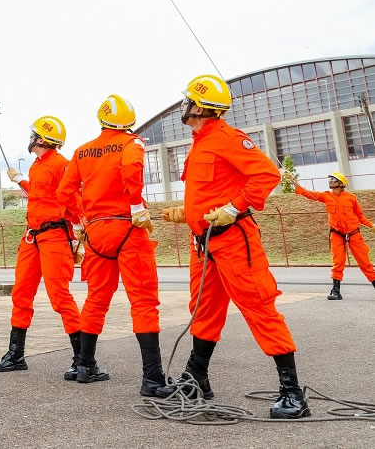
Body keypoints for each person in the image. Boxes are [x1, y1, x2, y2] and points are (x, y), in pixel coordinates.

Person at [159, 74, 309, 418]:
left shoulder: (227, 138)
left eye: (187, 101)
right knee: (203, 311)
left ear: (201, 107)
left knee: (259, 307)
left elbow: (267, 175)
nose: (183, 106)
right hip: (205, 244)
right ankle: (197, 379)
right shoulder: (200, 141)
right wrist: (189, 214)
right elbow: (213, 188)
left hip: (234, 242)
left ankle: (292, 392)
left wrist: (234, 207)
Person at [56, 95, 164, 396]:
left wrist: (79, 225)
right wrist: (135, 206)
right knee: (143, 300)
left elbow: (64, 193)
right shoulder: (132, 143)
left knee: (96, 298)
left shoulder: (81, 151)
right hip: (128, 227)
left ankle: (85, 365)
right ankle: (153, 378)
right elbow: (132, 171)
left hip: (96, 231)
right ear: (128, 122)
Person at [0, 116, 81, 378]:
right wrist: (20, 180)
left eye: (34, 134)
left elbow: (73, 199)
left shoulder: (62, 165)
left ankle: (82, 357)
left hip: (54, 235)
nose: (30, 138)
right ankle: (16, 354)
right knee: (21, 293)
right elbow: (41, 195)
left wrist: (78, 233)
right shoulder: (38, 166)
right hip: (32, 237)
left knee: (59, 296)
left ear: (42, 138)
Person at [291, 172, 374, 299]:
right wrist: (294, 182)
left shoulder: (351, 198)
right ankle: (335, 291)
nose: (330, 181)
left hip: (353, 234)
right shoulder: (326, 196)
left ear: (341, 184)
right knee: (337, 262)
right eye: (330, 179)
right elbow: (310, 194)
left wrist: (372, 225)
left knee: (365, 262)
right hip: (336, 234)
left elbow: (360, 216)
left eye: (334, 180)